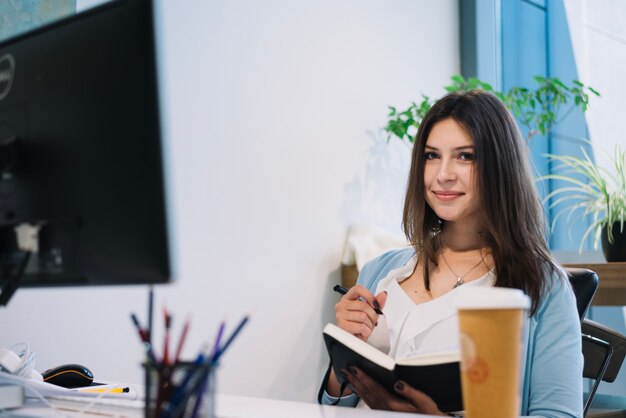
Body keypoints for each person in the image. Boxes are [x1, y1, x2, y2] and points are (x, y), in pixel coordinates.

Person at [318, 90, 583, 417]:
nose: (443, 174)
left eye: (465, 156)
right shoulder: (379, 270)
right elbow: (333, 405)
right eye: (431, 156)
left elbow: (559, 414)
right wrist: (344, 349)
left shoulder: (544, 286)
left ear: (500, 166)